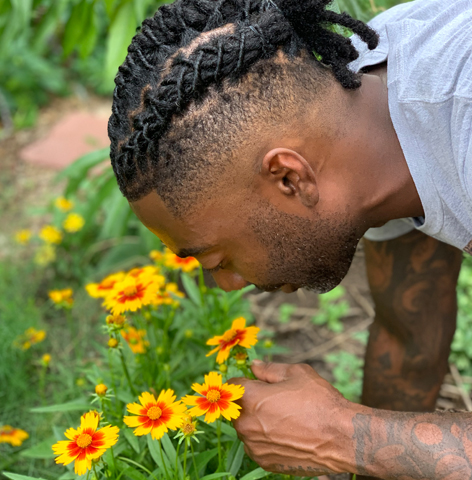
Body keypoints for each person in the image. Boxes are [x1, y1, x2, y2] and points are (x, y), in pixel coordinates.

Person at [107, 0, 472, 477]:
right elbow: (411, 346)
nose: (227, 285)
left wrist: (341, 435)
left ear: (289, 180)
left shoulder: (459, 117)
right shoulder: (359, 111)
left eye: (217, 259)